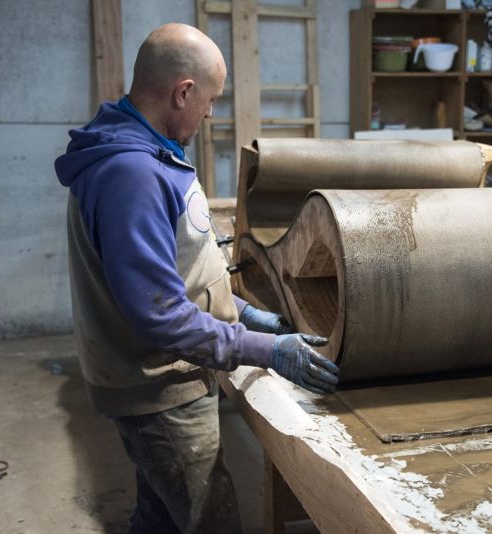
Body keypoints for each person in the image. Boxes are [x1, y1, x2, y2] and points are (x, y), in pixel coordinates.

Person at [54, 23, 339, 533]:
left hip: (167, 377)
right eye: (209, 100)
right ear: (183, 92)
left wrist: (243, 311)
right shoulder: (131, 174)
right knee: (210, 520)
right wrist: (266, 350)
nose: (211, 112)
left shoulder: (151, 149)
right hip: (160, 389)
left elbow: (177, 269)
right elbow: (157, 315)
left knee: (160, 514)